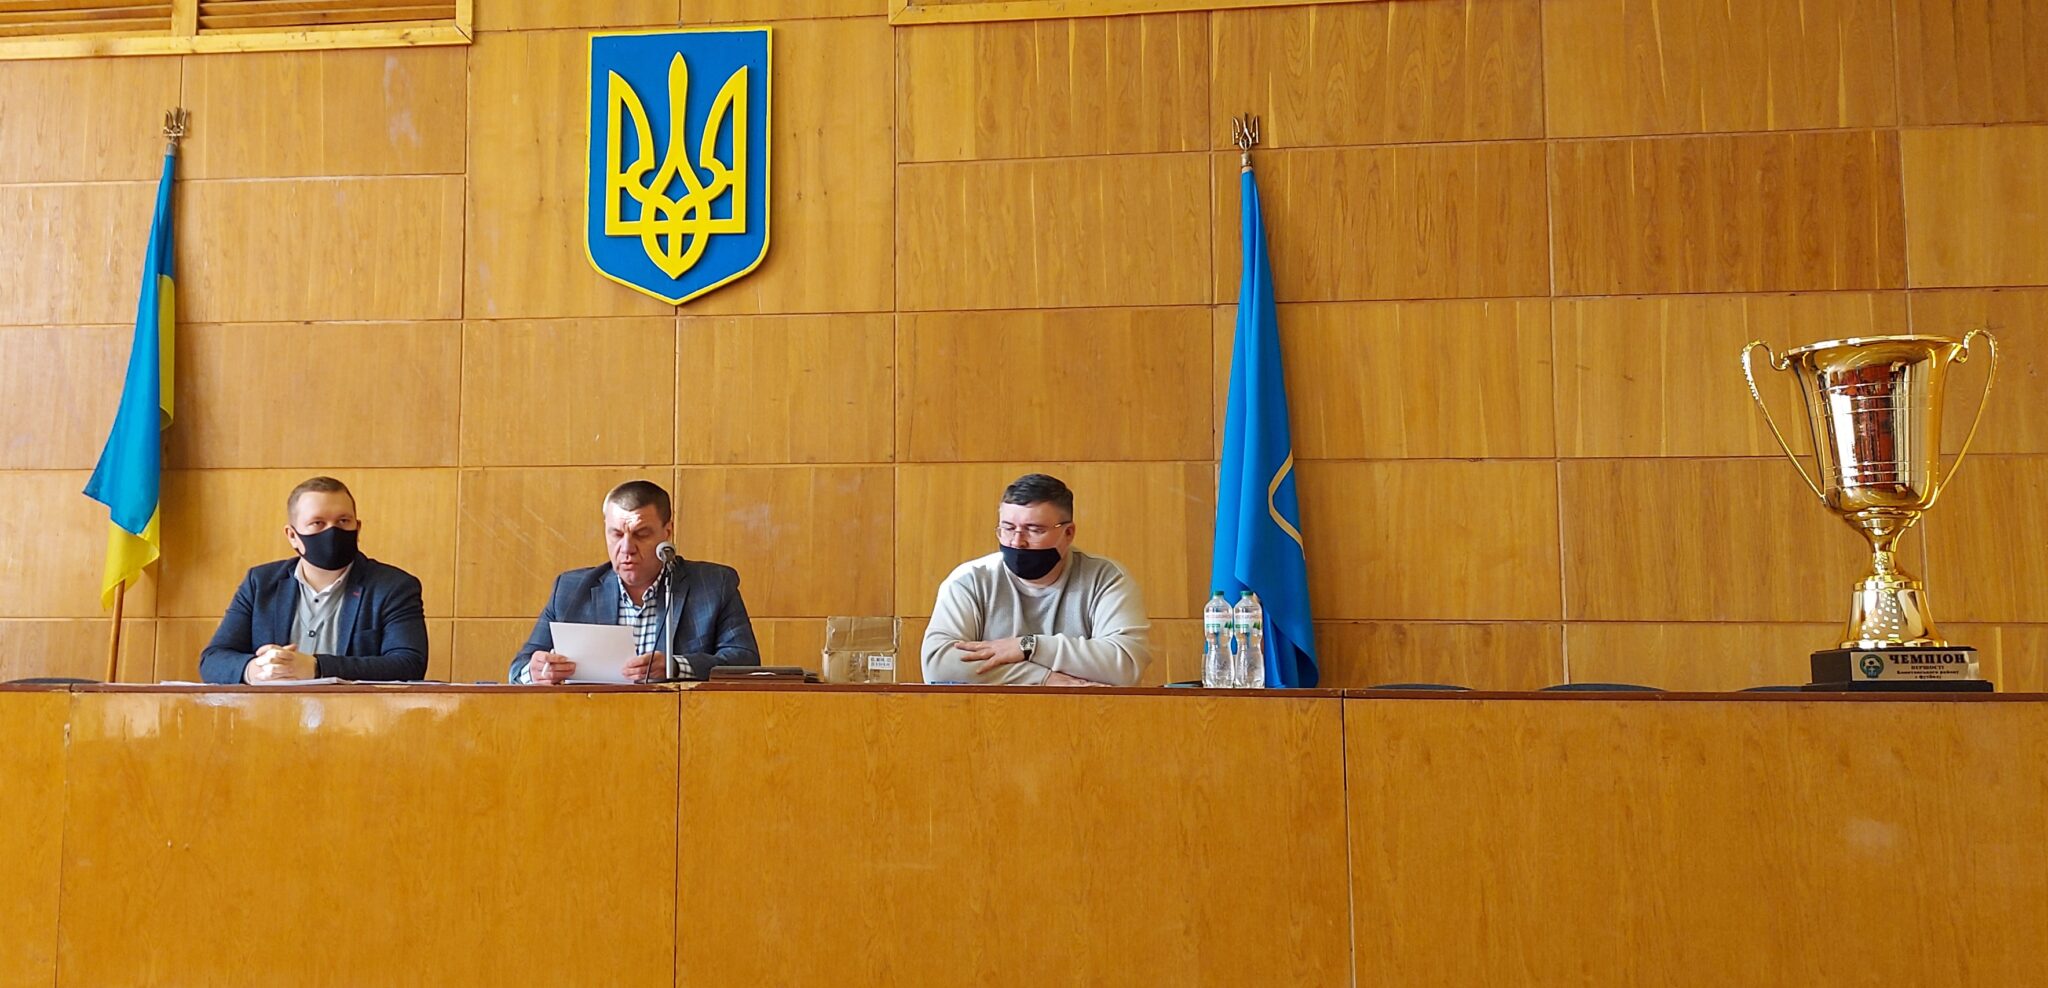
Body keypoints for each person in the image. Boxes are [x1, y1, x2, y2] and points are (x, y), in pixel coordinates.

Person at [512, 479, 760, 683]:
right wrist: (535, 672)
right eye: (616, 534)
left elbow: (745, 663)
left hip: (679, 721)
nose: (627, 548)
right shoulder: (570, 590)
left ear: (667, 532)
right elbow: (517, 670)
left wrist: (676, 667)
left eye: (641, 534)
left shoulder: (713, 585)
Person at [921, 473, 1150, 686]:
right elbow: (939, 665)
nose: (1017, 542)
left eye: (1034, 530)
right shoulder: (970, 580)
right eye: (1008, 528)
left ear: (1068, 533)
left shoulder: (1106, 579)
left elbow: (1126, 664)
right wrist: (1044, 679)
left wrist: (1029, 646)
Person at [199, 476, 429, 684]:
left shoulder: (394, 586)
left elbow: (409, 664)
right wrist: (255, 669)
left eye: (343, 521)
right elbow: (212, 660)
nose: (332, 532)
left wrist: (317, 667)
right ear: (292, 536)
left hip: (355, 715)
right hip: (270, 713)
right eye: (318, 523)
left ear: (357, 528)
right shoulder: (260, 583)